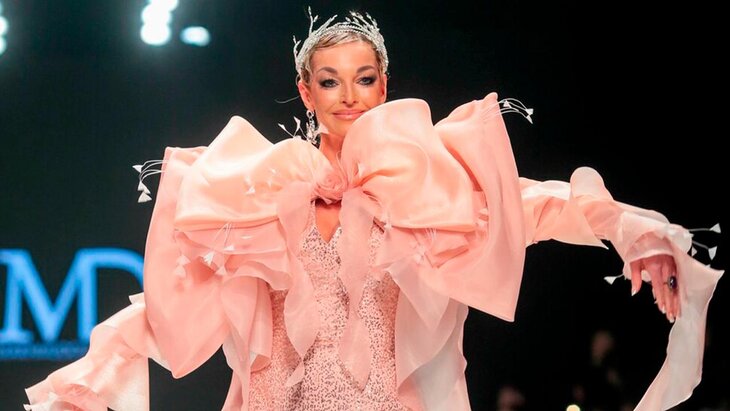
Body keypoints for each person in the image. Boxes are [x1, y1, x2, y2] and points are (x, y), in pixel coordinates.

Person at [24, 8, 722, 411]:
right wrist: (87, 378)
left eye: (363, 79)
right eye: (330, 81)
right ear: (306, 92)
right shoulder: (269, 188)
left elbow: (536, 204)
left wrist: (630, 227)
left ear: (384, 86)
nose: (349, 95)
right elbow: (178, 297)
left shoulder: (422, 182)